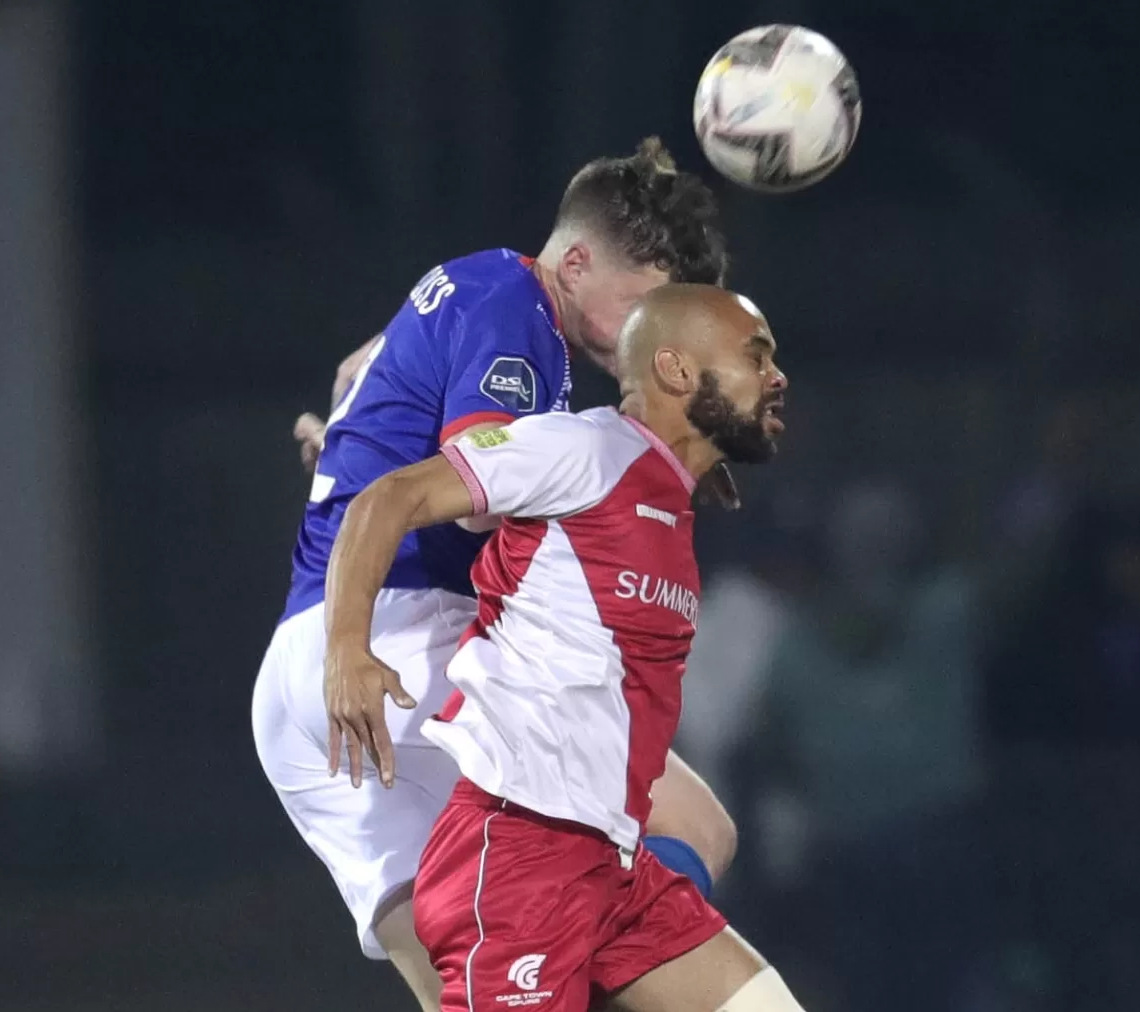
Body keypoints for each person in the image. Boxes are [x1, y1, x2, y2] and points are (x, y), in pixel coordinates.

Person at [252, 140, 738, 1010]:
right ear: (577, 262)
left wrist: (356, 450)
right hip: (400, 641)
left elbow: (356, 375)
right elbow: (486, 498)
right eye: (640, 305)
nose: (648, 335)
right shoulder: (519, 310)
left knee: (462, 982)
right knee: (695, 825)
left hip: (304, 670)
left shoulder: (468, 288)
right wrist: (628, 469)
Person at [323, 285, 805, 1011]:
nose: (777, 376)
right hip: (520, 859)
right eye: (755, 356)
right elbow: (389, 498)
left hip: (615, 869)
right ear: (676, 369)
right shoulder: (583, 449)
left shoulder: (663, 492)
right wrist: (345, 652)